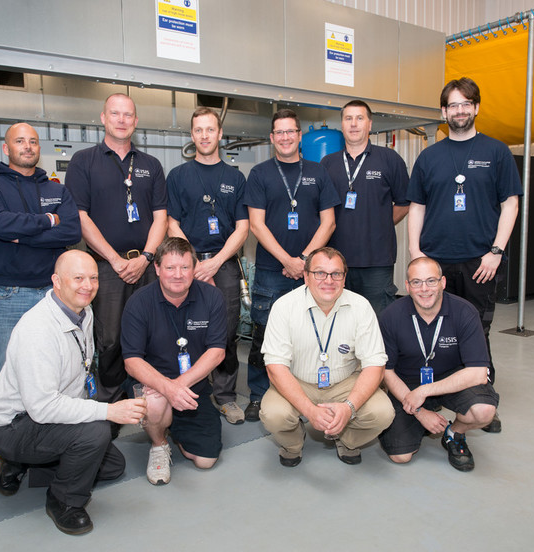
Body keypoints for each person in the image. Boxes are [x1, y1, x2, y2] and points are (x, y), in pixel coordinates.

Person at [0, 250, 146, 535]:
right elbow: (42, 408)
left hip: (51, 417)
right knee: (96, 433)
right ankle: (63, 501)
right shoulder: (37, 330)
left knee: (112, 466)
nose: (88, 285)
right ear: (56, 281)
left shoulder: (84, 311)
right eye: (78, 278)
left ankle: (25, 464)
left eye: (93, 278)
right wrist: (109, 411)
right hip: (16, 424)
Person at [406, 77, 520, 433]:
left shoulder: (496, 152)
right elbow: (416, 208)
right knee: (435, 330)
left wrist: (496, 252)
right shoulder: (429, 157)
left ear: (476, 108)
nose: (459, 110)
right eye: (452, 105)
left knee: (477, 331)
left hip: (480, 262)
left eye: (465, 104)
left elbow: (510, 204)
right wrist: (415, 253)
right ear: (443, 111)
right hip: (435, 262)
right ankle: (440, 391)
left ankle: (482, 396)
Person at [0, 122, 82, 479]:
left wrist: (26, 233)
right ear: (6, 148)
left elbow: (71, 231)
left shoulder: (55, 188)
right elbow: (0, 226)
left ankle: (56, 435)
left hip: (56, 294)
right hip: (13, 292)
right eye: (19, 141)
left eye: (33, 141)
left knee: (64, 367)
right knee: (3, 369)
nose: (27, 146)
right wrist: (46, 225)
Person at [65, 93, 168, 404]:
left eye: (128, 115)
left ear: (136, 121)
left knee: (153, 333)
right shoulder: (84, 161)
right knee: (109, 339)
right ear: (103, 118)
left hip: (147, 266)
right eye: (115, 114)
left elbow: (161, 216)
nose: (122, 120)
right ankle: (110, 402)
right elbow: (80, 216)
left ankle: (150, 395)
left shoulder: (151, 164)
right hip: (106, 268)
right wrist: (114, 259)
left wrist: (147, 257)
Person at [242, 109, 340, 422]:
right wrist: (287, 260)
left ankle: (306, 393)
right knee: (264, 334)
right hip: (272, 271)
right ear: (272, 138)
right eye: (279, 132)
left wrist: (304, 261)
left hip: (313, 274)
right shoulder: (260, 173)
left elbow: (329, 222)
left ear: (299, 136)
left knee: (312, 334)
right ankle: (258, 395)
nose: (285, 137)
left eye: (290, 132)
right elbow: (256, 225)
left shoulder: (318, 171)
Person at [259, 247, 394, 466]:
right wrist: (309, 410)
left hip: (345, 382)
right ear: (306, 276)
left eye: (336, 274)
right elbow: (275, 367)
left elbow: (375, 365)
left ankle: (347, 439)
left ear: (344, 277)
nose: (328, 280)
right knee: (274, 414)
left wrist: (349, 407)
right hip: (298, 381)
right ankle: (293, 444)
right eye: (320, 273)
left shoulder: (361, 306)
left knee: (382, 412)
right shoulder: (283, 307)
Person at [166, 107, 249, 425]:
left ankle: (226, 396)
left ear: (220, 134)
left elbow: (242, 228)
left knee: (225, 332)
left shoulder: (235, 178)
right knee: (184, 330)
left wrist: (214, 263)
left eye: (210, 130)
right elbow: (172, 222)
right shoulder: (178, 176)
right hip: (184, 265)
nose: (204, 135)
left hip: (224, 262)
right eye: (198, 130)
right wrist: (193, 263)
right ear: (192, 135)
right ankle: (188, 391)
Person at [121, 237, 227, 485]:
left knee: (204, 460)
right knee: (156, 404)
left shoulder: (212, 297)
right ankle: (158, 444)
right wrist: (167, 388)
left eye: (185, 267)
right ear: (157, 269)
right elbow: (131, 361)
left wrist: (178, 386)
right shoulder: (138, 302)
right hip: (153, 385)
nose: (177, 275)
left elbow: (217, 352)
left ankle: (173, 428)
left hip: (193, 387)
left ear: (194, 268)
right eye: (170, 268)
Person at [378, 257, 498, 472]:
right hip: (408, 384)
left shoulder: (465, 312)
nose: (424, 289)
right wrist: (419, 411)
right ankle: (419, 422)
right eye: (416, 282)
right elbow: (387, 372)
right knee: (400, 456)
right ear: (407, 286)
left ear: (443, 282)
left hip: (451, 379)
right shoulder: (391, 316)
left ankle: (454, 434)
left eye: (431, 281)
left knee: (483, 411)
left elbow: (478, 373)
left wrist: (426, 390)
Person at [321, 100, 410, 315]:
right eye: (348, 118)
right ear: (341, 125)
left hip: (377, 261)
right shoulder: (327, 164)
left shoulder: (390, 160)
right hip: (335, 261)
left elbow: (404, 203)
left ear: (369, 124)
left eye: (360, 118)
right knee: (338, 320)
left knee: (377, 321)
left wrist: (380, 224)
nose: (354, 124)